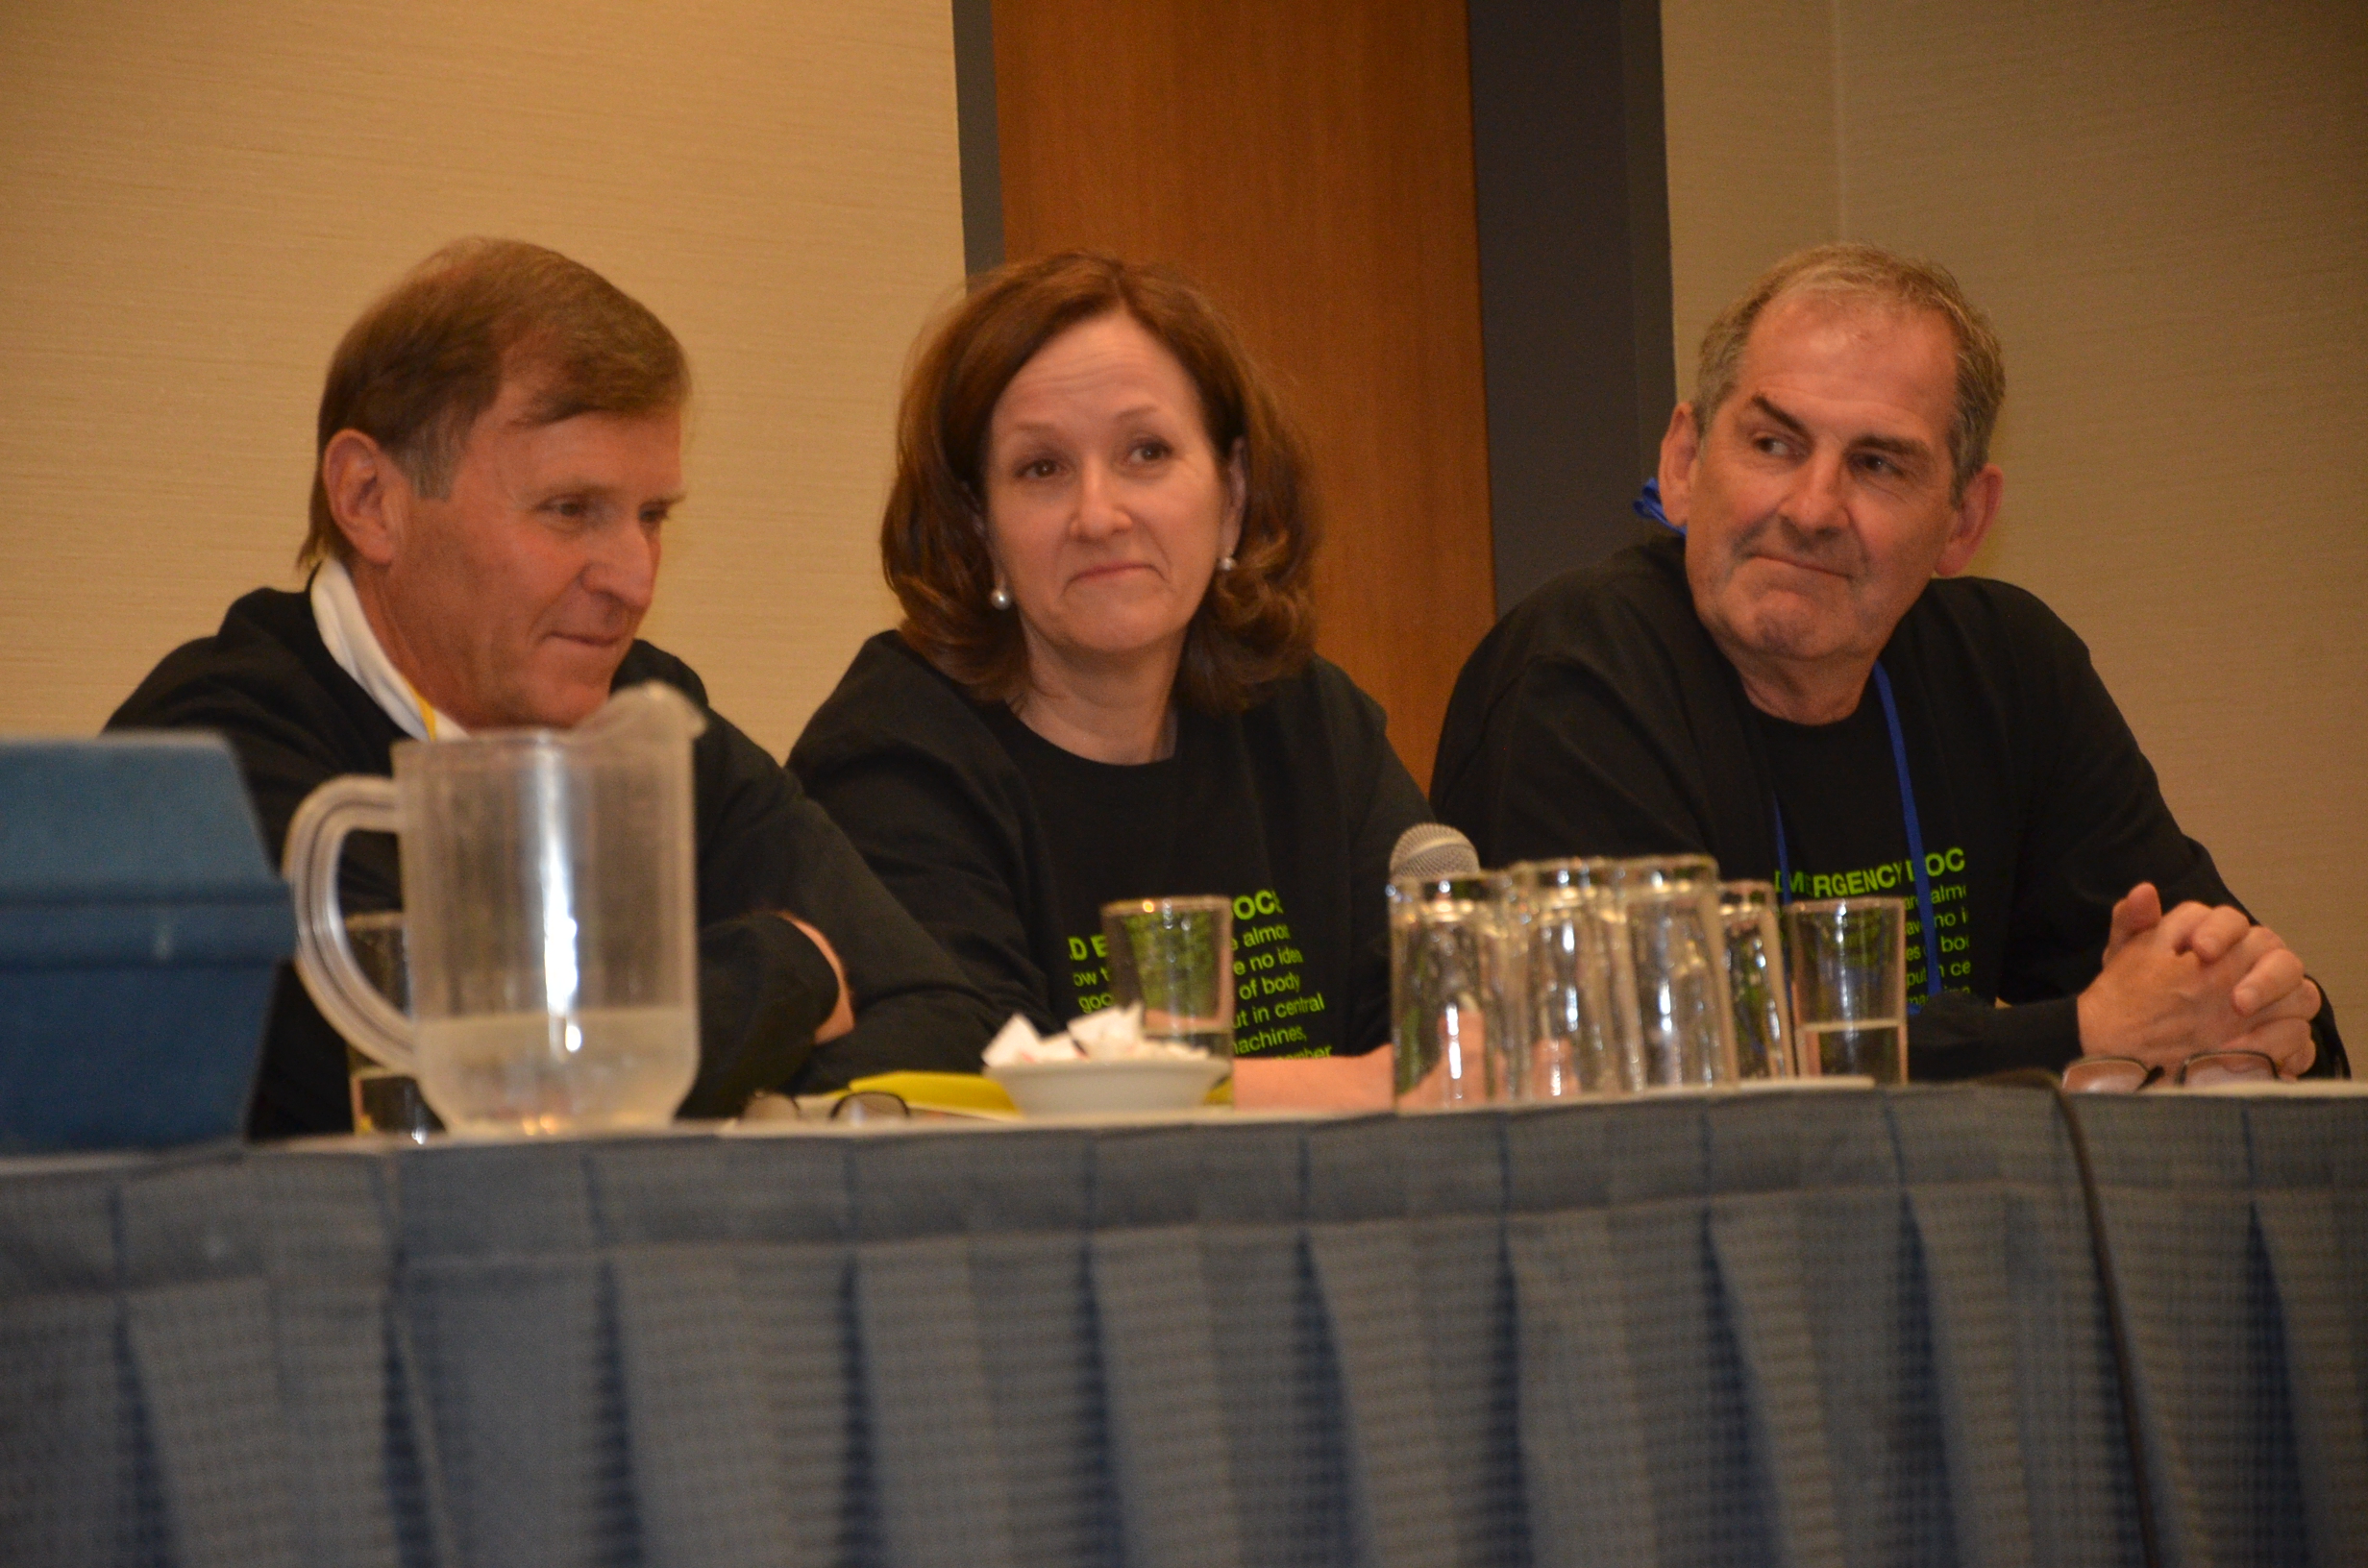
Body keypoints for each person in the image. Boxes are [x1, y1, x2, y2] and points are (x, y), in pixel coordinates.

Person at [110, 238, 997, 1136]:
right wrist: (781, 971)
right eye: (571, 511)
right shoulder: (207, 761)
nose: (634, 581)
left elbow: (944, 1026)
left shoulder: (643, 711)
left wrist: (687, 1077)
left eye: (652, 516)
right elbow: (436, 1108)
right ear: (371, 499)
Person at [1432, 242, 2343, 1082]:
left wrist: (2242, 1016)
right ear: (1683, 463)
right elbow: (1666, 1068)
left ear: (1963, 521)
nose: (1812, 508)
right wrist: (2081, 1032)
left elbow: (2239, 1011)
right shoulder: (1581, 670)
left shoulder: (2009, 669)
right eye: (1773, 444)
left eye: (1877, 466)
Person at [790, 252, 1429, 1059]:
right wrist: (1365, 1089)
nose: (1099, 515)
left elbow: (1445, 1034)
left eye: (1147, 452)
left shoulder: (1310, 724)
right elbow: (987, 1091)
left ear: (1232, 498)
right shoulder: (893, 759)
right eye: (1042, 468)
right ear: (979, 529)